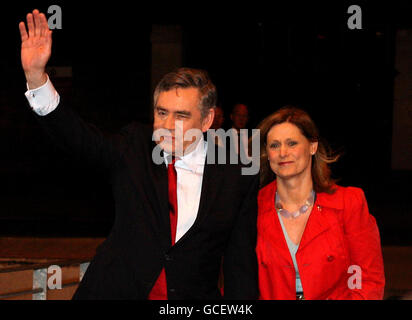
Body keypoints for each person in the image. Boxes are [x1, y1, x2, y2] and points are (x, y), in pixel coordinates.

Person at [19, 9, 259, 299]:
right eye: (162, 113)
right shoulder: (134, 146)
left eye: (181, 116)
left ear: (207, 120)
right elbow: (80, 139)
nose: (168, 126)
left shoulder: (236, 177)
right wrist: (36, 77)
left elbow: (240, 264)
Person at [255, 106, 385, 300]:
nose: (282, 152)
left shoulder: (349, 203)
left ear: (312, 146)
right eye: (274, 145)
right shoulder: (252, 207)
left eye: (292, 143)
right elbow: (238, 279)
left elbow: (367, 280)